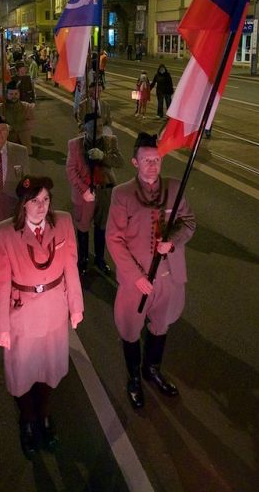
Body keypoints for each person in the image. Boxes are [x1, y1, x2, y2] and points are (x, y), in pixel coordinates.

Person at [0, 175, 83, 458]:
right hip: (23, 314)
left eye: (45, 200)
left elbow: (71, 267)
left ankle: (43, 417)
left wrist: (76, 306)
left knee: (47, 371)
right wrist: (1, 326)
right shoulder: (4, 233)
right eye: (34, 201)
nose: (41, 207)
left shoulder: (63, 222)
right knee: (22, 374)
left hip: (54, 312)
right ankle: (27, 421)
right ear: (23, 205)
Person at [106, 132, 196, 409]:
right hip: (138, 283)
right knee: (131, 330)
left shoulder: (174, 187)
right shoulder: (122, 194)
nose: (152, 165)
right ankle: (134, 377)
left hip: (170, 278)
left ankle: (152, 369)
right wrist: (135, 277)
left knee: (161, 325)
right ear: (135, 162)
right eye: (146, 160)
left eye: (156, 160)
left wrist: (173, 241)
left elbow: (189, 222)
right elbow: (114, 239)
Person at [66, 113, 124, 275]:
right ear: (85, 127)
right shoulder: (75, 144)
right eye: (93, 126)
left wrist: (103, 156)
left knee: (102, 227)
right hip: (85, 193)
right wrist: (84, 190)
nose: (98, 129)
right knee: (83, 227)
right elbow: (71, 170)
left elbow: (120, 162)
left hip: (105, 190)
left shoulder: (110, 141)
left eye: (100, 125)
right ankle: (83, 258)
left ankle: (100, 259)